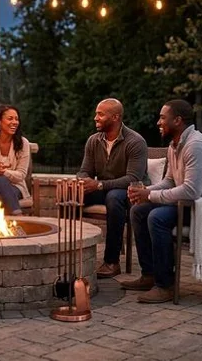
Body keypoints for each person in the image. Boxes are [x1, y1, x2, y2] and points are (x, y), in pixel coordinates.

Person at [123, 99, 202, 303]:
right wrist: (145, 191)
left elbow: (191, 191)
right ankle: (150, 275)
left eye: (163, 118)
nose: (158, 122)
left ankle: (165, 285)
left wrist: (150, 196)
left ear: (178, 120)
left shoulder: (196, 146)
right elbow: (170, 181)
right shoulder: (175, 145)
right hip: (190, 206)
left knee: (157, 217)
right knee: (138, 211)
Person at [76, 98, 148, 278]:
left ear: (115, 117)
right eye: (96, 114)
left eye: (100, 114)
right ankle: (68, 252)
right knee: (70, 195)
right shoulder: (94, 141)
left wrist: (99, 184)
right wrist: (82, 182)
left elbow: (133, 178)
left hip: (130, 192)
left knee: (114, 197)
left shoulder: (135, 141)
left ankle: (112, 262)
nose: (95, 118)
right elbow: (84, 171)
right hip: (103, 189)